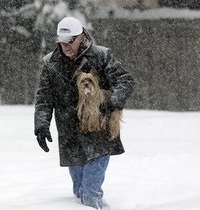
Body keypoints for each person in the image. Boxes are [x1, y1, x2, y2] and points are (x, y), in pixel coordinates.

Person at [34, 16, 135, 209]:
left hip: (98, 130)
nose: (65, 45)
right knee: (79, 190)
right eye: (61, 41)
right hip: (70, 132)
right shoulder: (50, 63)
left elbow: (126, 81)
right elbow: (44, 98)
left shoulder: (101, 56)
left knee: (90, 191)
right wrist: (41, 125)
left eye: (70, 40)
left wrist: (112, 102)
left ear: (81, 36)